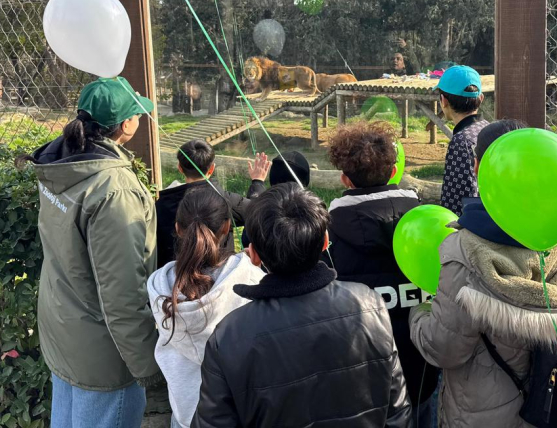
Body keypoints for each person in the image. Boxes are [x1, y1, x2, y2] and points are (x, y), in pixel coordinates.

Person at [409, 119, 557, 428]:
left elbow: (445, 349)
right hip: (551, 408)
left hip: (482, 415)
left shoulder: (465, 251)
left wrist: (419, 313)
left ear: (478, 168)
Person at [191, 184, 413, 427]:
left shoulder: (229, 335)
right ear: (326, 241)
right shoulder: (370, 304)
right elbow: (398, 412)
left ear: (253, 255)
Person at [24, 77, 162, 428]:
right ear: (125, 125)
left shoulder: (63, 165)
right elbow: (122, 295)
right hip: (103, 357)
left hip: (64, 333)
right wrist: (148, 366)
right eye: (137, 113)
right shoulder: (114, 191)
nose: (141, 117)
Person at [326, 121, 440, 425]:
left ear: (345, 179)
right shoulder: (429, 225)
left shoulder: (328, 236)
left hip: (362, 378)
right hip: (423, 366)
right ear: (393, 172)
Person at [148, 187, 264, 428]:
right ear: (226, 227)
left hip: (185, 413)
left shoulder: (158, 285)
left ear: (178, 228)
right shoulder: (249, 279)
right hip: (238, 413)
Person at [155, 140, 271, 267]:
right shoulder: (225, 199)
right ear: (211, 169)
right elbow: (258, 211)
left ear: (180, 168)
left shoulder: (161, 205)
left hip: (177, 273)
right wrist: (257, 182)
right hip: (222, 272)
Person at [436, 65, 489, 215]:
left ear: (443, 101)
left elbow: (455, 202)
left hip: (475, 225)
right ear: (481, 98)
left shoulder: (462, 142)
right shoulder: (489, 129)